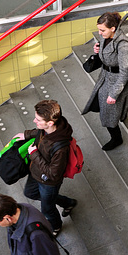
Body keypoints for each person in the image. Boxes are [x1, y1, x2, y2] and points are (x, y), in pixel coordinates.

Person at [14, 99, 78, 237]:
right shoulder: (48, 128)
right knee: (29, 193)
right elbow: (39, 132)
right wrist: (26, 134)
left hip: (48, 182)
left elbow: (53, 174)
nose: (34, 121)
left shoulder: (60, 148)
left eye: (38, 119)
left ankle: (55, 226)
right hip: (35, 172)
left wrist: (34, 155)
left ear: (50, 123)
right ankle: (67, 202)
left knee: (47, 209)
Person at [82, 12, 128, 150]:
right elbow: (106, 50)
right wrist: (98, 50)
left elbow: (125, 72)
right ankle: (121, 115)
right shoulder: (106, 36)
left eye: (102, 30)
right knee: (108, 109)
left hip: (116, 81)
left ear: (113, 28)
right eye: (99, 29)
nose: (99, 33)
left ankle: (117, 138)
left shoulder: (123, 46)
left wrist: (114, 93)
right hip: (105, 76)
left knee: (108, 113)